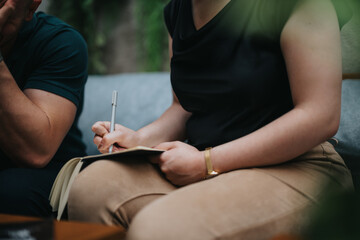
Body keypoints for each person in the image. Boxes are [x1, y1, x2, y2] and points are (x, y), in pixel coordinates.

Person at [68, 0, 353, 239]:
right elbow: (184, 107)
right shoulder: (178, 10)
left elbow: (320, 115)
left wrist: (206, 162)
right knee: (90, 188)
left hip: (296, 167)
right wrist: (138, 139)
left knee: (160, 228)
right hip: (210, 165)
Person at [0, 0, 87, 217]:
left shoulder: (59, 42)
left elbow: (35, 152)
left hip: (48, 175)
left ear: (32, 6)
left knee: (13, 189)